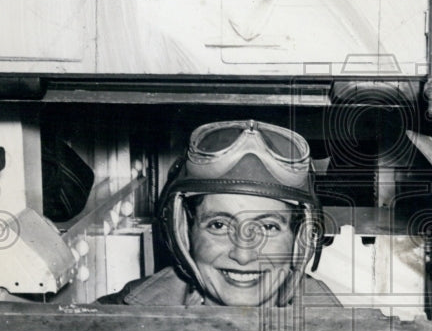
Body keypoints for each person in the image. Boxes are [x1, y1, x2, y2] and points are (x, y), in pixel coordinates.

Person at [104, 120, 338, 307]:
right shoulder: (106, 323)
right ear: (184, 233)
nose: (243, 255)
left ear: (300, 242)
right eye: (219, 225)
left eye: (268, 227)